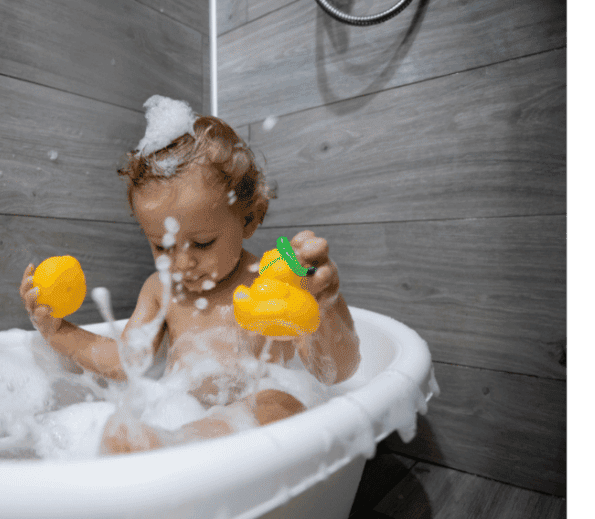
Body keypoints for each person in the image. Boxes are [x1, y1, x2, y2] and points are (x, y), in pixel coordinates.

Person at [19, 101, 360, 454]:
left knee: (278, 404)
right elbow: (125, 361)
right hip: (179, 415)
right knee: (126, 419)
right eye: (162, 247)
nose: (181, 264)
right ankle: (164, 445)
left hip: (253, 435)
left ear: (249, 219)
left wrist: (325, 300)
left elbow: (334, 372)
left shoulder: (272, 279)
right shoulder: (159, 290)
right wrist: (58, 332)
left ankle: (171, 448)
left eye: (202, 243)